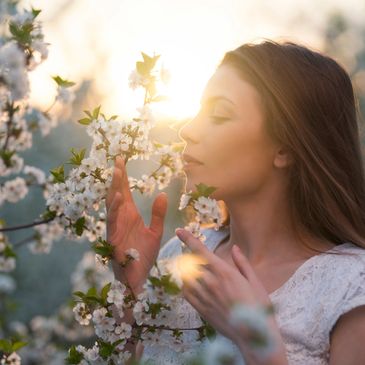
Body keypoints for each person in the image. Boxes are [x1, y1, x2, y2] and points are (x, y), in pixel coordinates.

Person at [106, 40, 365, 364]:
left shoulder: (351, 289)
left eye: (220, 114)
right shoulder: (179, 256)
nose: (188, 130)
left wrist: (258, 345)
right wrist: (131, 290)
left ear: (285, 148)